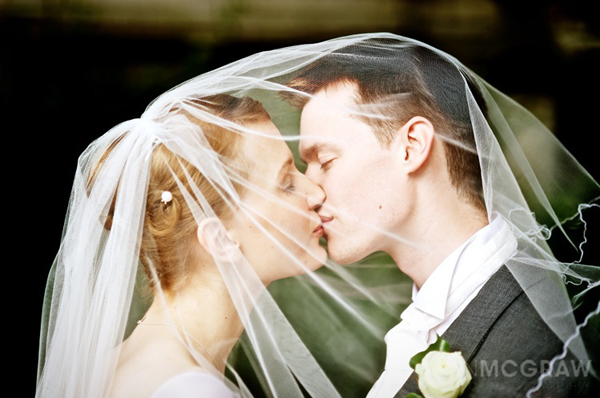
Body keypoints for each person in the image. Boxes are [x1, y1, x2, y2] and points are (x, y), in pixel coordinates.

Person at [281, 36, 599, 397]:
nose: (311, 190)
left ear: (412, 146)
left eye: (325, 161)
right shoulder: (430, 318)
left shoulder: (544, 351)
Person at [36, 92, 340, 397]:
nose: (316, 193)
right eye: (286, 183)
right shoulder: (192, 389)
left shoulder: (110, 366)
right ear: (220, 239)